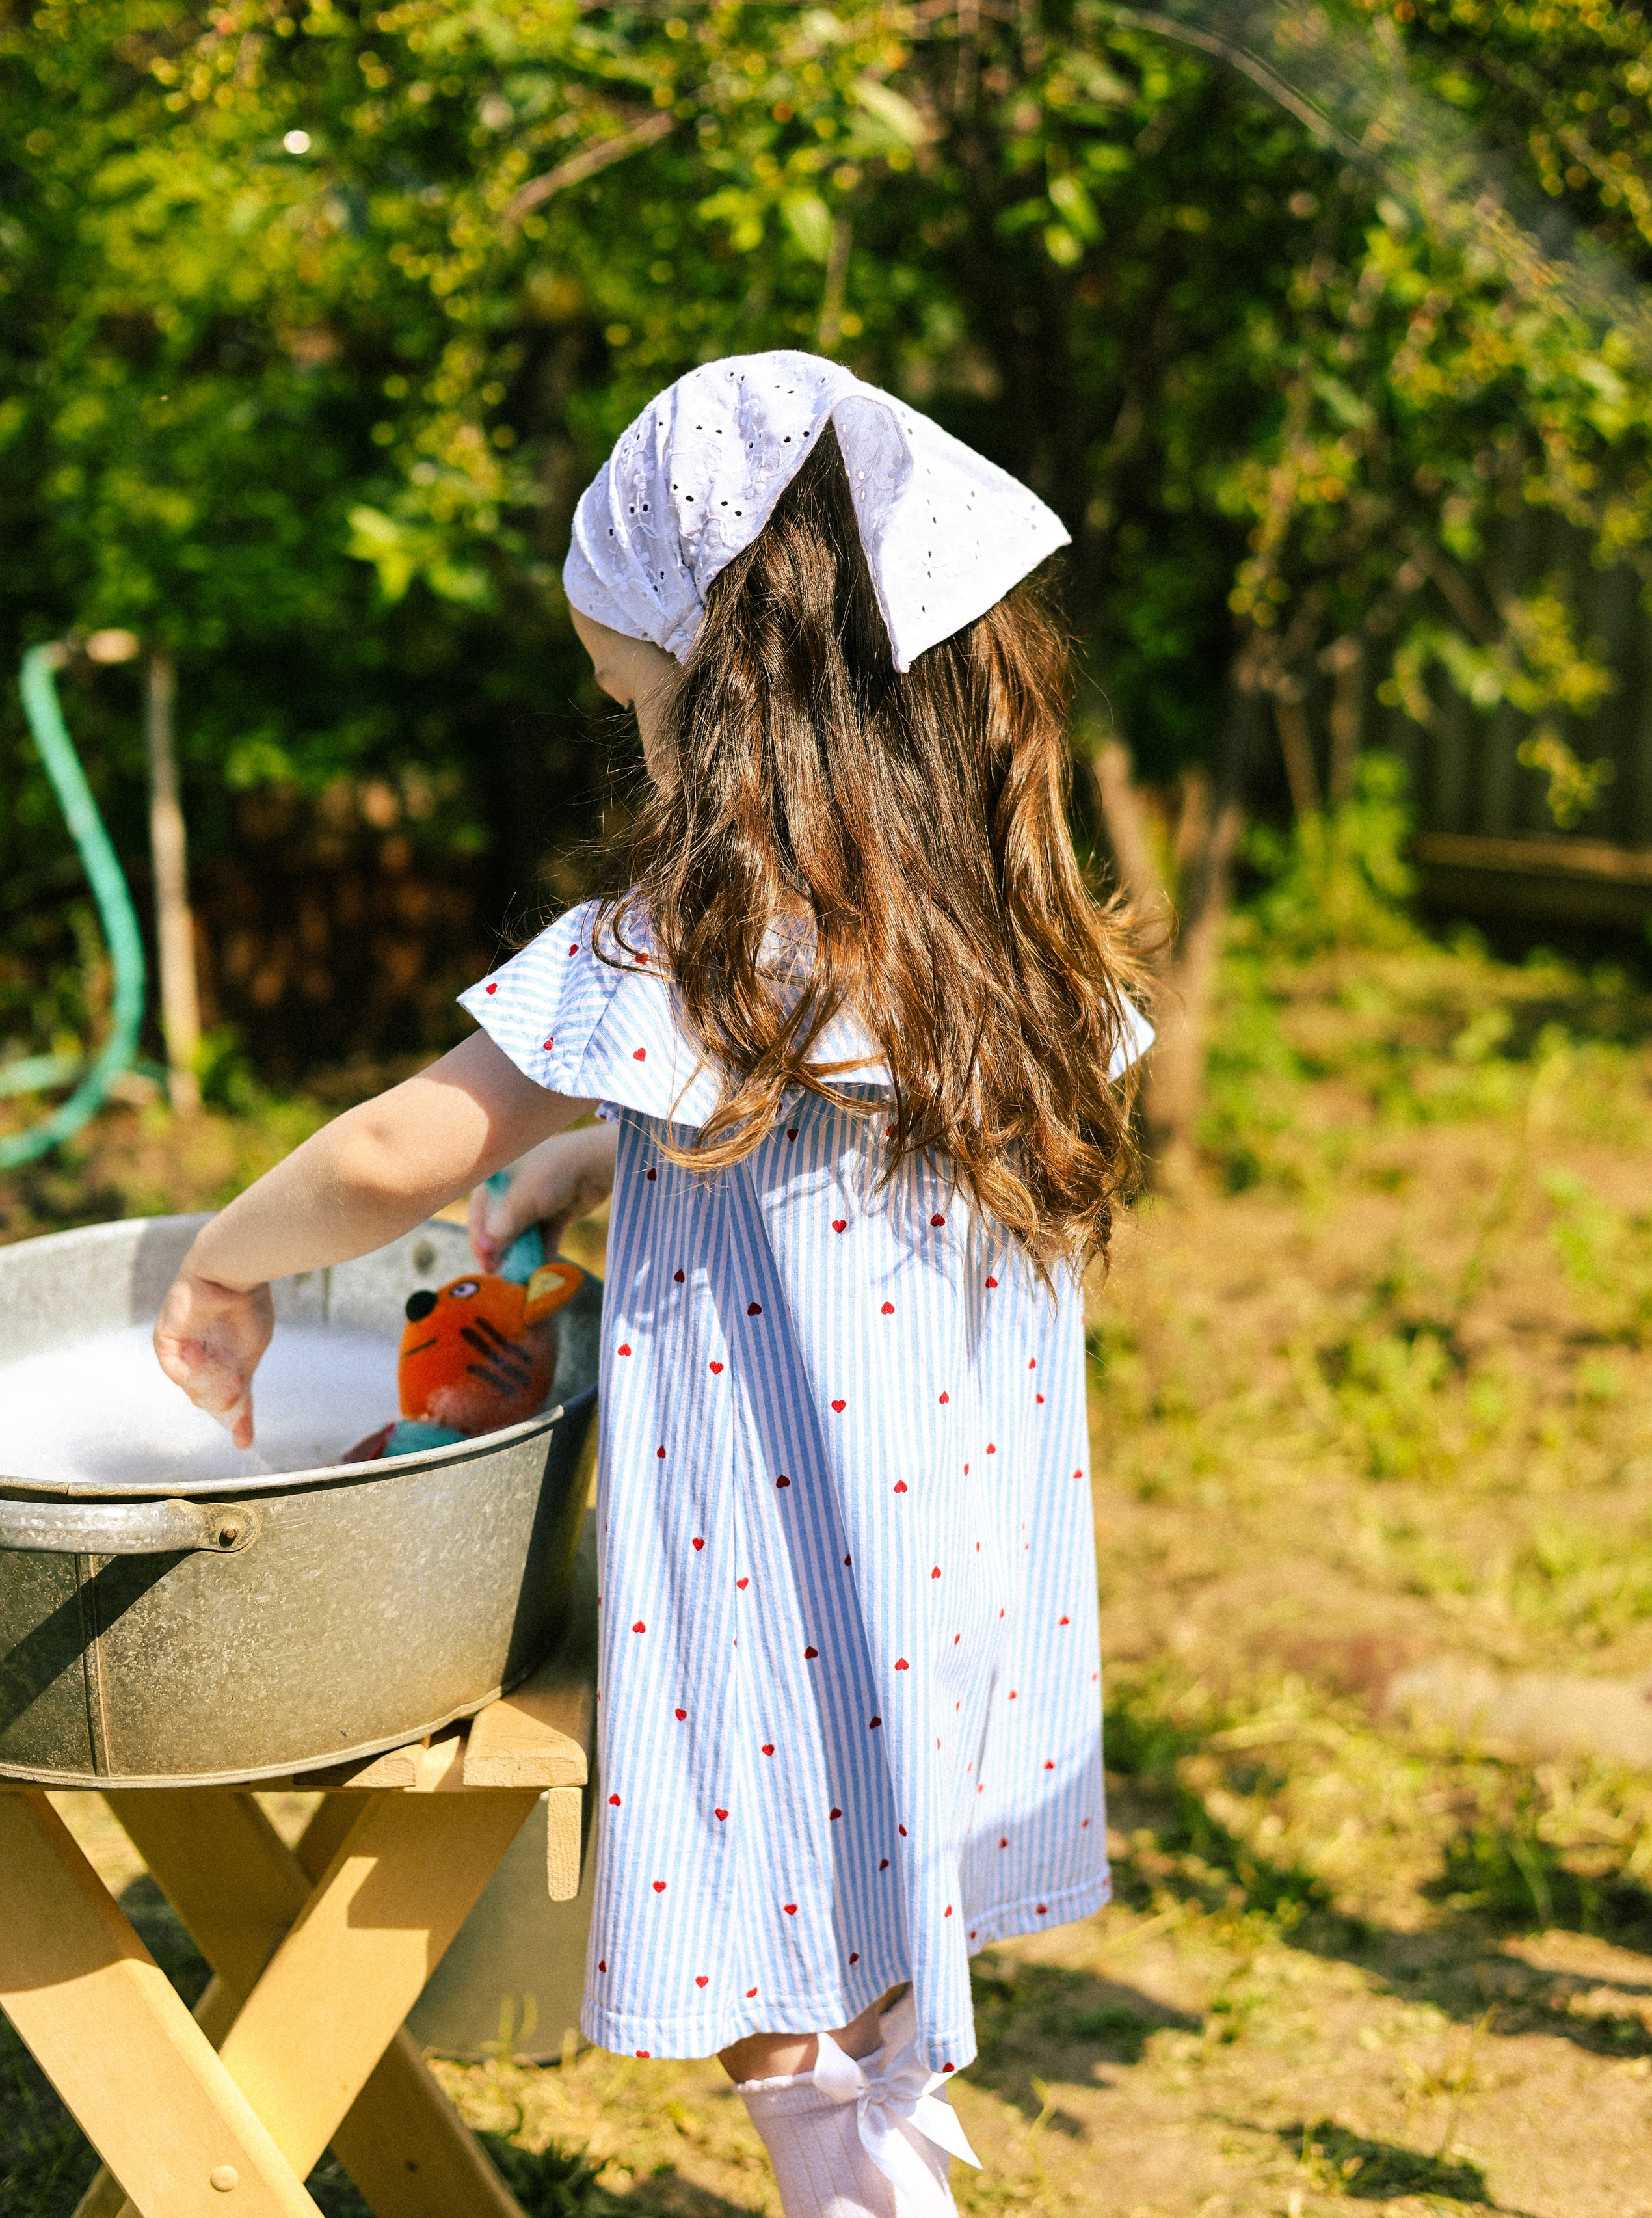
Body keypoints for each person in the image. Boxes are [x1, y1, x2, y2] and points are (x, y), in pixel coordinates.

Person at [154, 349, 1151, 2218]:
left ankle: (861, 2192)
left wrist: (222, 1260)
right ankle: (882, 2169)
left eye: (638, 706)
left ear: (732, 695)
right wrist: (599, 1150)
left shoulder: (697, 945)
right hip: (947, 1562)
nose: (639, 750)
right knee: (863, 1883)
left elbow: (396, 1148)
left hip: (776, 1559)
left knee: (765, 1909)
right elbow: (835, 1157)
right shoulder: (995, 927)